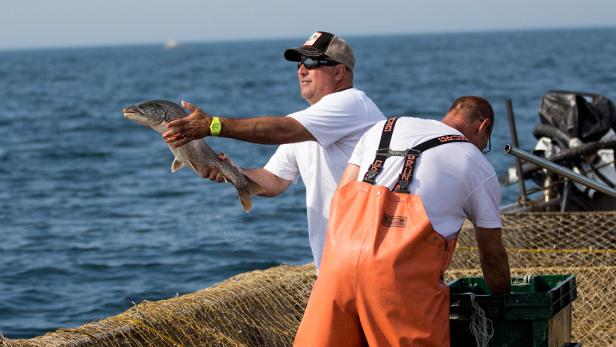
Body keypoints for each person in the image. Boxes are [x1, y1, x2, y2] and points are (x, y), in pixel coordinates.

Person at [294, 96, 511, 347]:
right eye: (486, 143)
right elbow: (492, 257)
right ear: (483, 127)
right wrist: (505, 299)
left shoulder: (382, 128)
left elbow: (342, 196)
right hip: (396, 283)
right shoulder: (476, 163)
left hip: (337, 264)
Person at [162, 31, 385, 268]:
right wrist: (231, 171)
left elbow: (282, 130)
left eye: (311, 62)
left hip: (367, 255)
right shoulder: (306, 124)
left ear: (339, 72)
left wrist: (213, 125)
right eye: (299, 63)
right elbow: (274, 181)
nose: (301, 70)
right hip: (336, 262)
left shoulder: (352, 103)